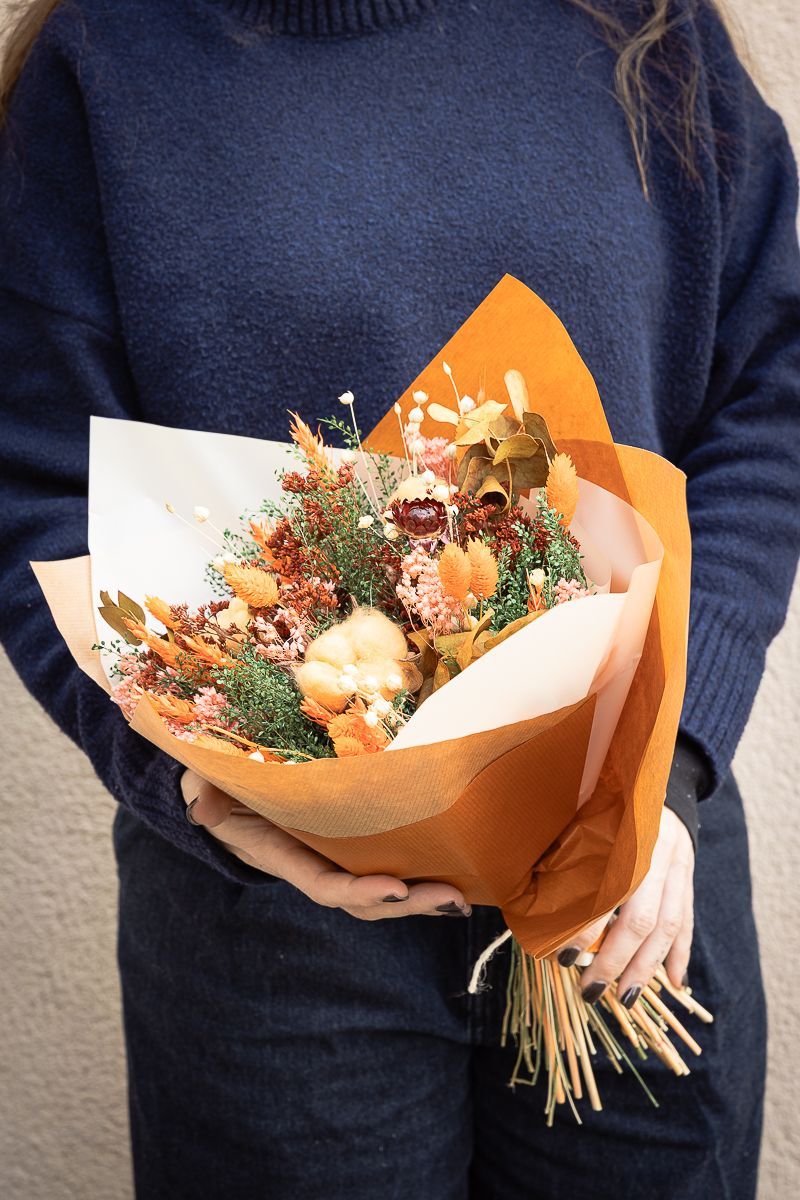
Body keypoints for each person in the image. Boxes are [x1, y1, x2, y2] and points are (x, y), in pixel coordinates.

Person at [1, 0, 798, 1196]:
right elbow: (38, 484)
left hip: (636, 866)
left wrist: (669, 757)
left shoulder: (646, 34)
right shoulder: (109, 65)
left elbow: (768, 392)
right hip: (269, 926)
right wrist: (203, 789)